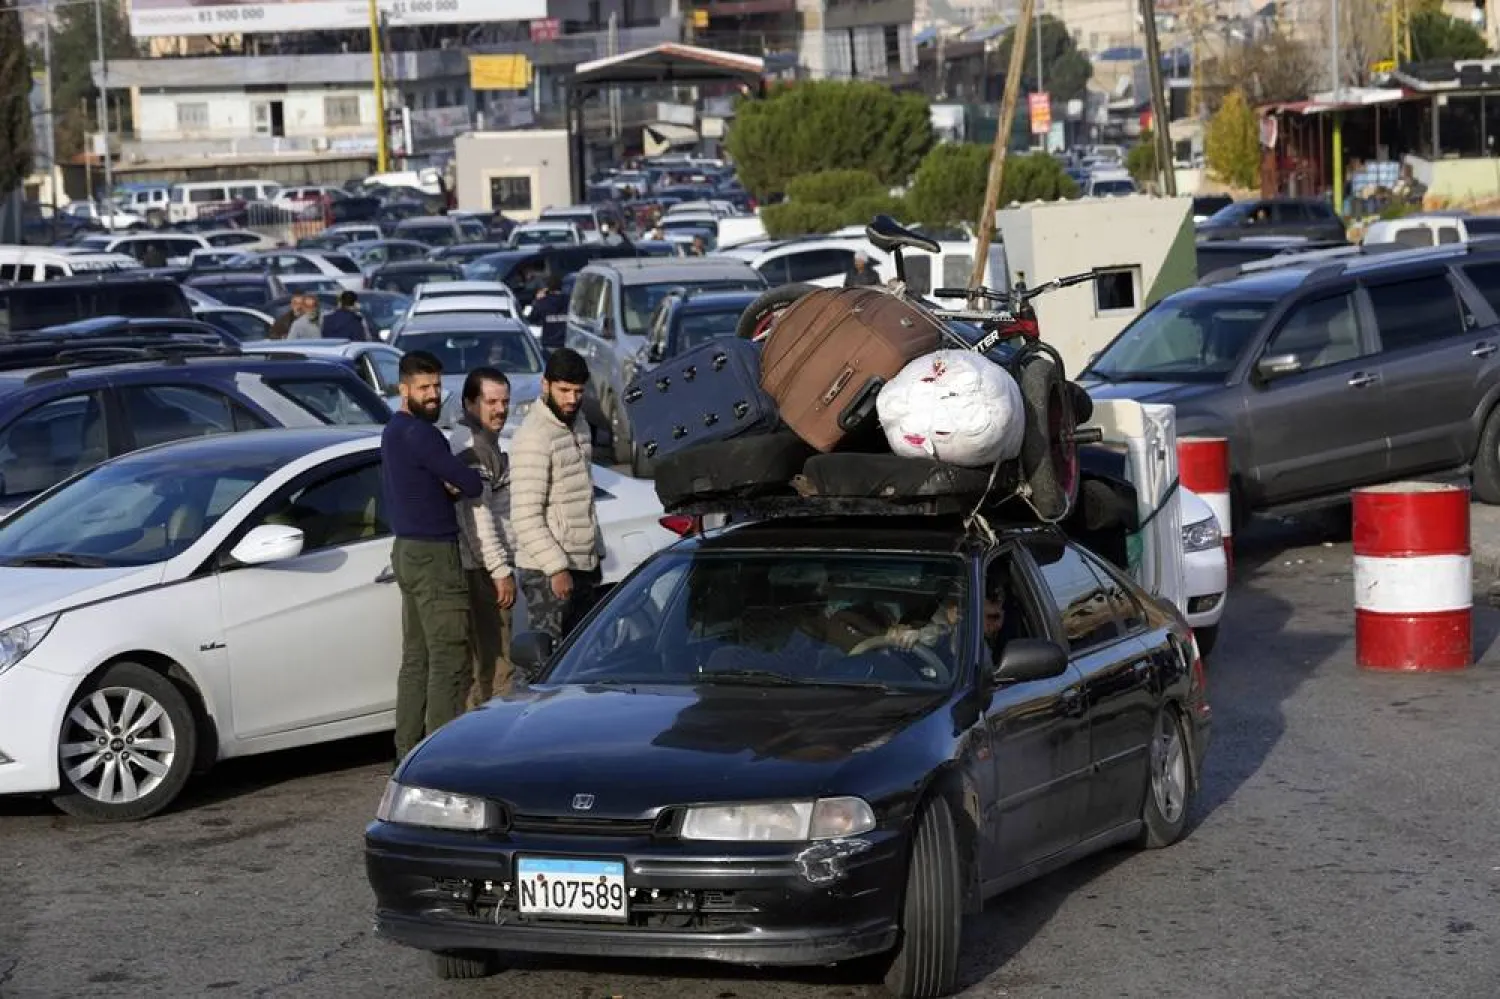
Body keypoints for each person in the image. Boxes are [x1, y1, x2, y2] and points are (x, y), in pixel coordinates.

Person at [381, 350, 486, 762]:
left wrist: (447, 483)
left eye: (437, 386)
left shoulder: (393, 431)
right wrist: (463, 480)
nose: (433, 394)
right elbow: (470, 483)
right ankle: (438, 761)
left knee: (417, 659)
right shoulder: (420, 434)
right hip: (434, 555)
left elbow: (431, 478)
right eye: (424, 387)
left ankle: (407, 753)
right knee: (449, 659)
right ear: (402, 389)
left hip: (408, 551)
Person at [511, 347, 603, 649]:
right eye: (564, 390)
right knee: (547, 664)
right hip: (547, 572)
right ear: (545, 385)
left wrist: (595, 551)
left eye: (578, 391)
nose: (571, 399)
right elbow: (525, 516)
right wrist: (557, 568)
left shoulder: (578, 423)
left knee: (582, 659)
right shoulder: (535, 436)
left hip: (582, 564)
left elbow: (582, 496)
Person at [450, 367, 518, 706]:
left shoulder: (487, 443)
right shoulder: (470, 448)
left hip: (486, 567)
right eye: (491, 402)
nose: (500, 409)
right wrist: (499, 569)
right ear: (469, 404)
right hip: (481, 571)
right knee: (494, 667)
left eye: (505, 401)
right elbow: (476, 516)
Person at [525, 275, 570, 352]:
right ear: (561, 286)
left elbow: (531, 319)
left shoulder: (543, 302)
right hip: (566, 343)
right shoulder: (569, 301)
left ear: (548, 287)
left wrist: (536, 300)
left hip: (549, 344)